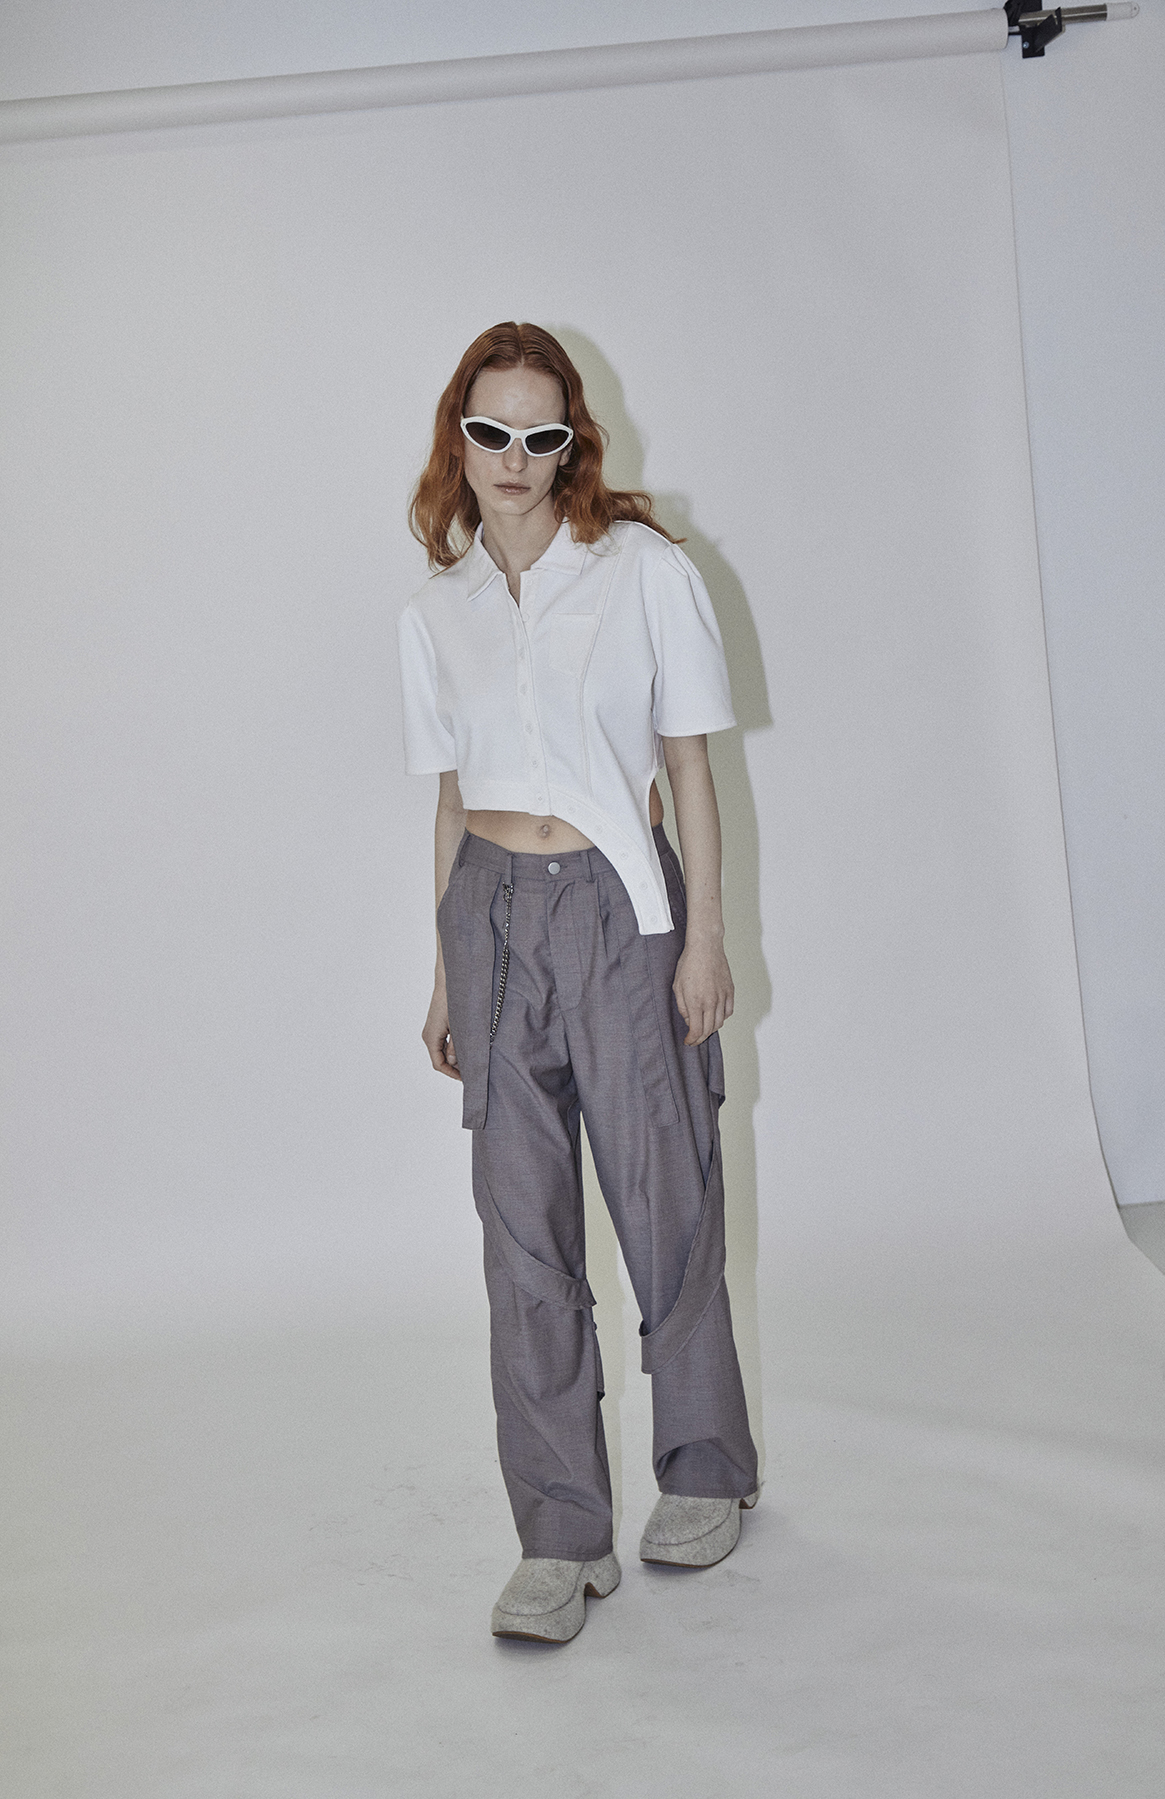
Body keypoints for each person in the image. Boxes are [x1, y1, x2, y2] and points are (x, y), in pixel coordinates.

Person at [397, 321, 758, 1644]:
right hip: (489, 913)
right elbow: (450, 799)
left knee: (667, 1194)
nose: (513, 456)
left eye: (539, 433)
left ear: (572, 444)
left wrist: (704, 936)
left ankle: (706, 1469)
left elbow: (692, 768)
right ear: (459, 438)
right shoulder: (434, 612)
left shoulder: (643, 571)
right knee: (521, 1231)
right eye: (489, 430)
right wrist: (446, 967)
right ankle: (560, 1534)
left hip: (621, 907)